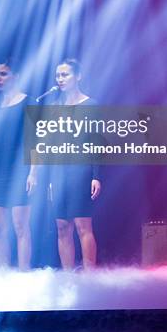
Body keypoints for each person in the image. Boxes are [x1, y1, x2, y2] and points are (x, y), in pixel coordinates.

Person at [0, 59, 37, 269]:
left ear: (15, 76)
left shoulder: (28, 102)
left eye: (3, 74)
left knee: (20, 226)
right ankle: (4, 273)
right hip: (0, 173)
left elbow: (37, 142)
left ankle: (24, 274)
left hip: (22, 170)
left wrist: (33, 173)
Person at [51, 58, 101, 269]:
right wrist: (49, 179)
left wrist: (96, 176)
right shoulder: (54, 107)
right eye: (58, 75)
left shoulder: (90, 105)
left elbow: (96, 144)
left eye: (65, 74)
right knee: (62, 226)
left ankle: (89, 277)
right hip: (58, 173)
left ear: (78, 76)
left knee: (82, 225)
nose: (60, 79)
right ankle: (68, 277)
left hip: (80, 171)